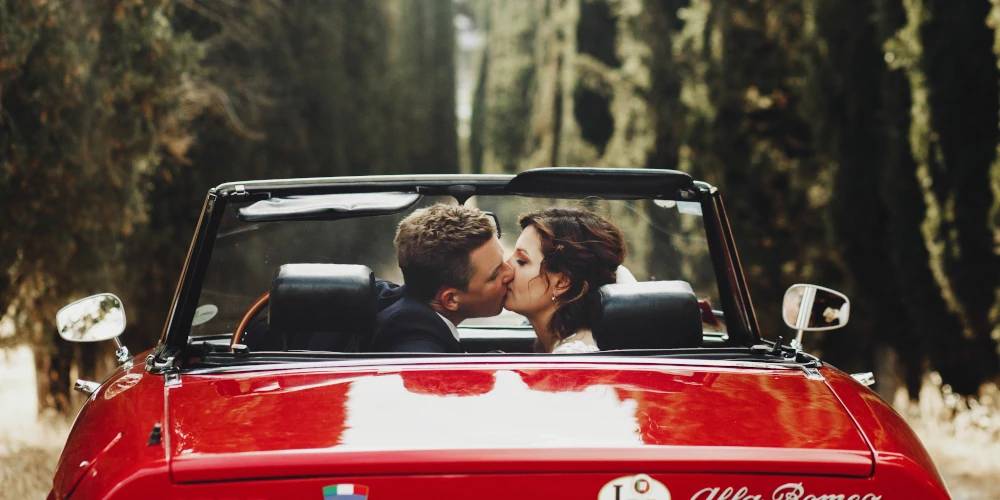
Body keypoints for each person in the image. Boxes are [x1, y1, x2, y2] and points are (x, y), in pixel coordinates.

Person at [370, 204, 515, 353]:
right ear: (451, 300)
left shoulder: (388, 303)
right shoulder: (424, 358)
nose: (510, 272)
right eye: (495, 274)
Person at [503, 208, 627, 353]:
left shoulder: (571, 356)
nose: (507, 267)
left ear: (562, 283)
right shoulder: (557, 346)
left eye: (521, 261)